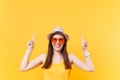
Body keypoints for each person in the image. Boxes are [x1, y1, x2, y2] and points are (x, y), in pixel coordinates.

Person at [20, 27, 95, 80]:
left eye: (61, 39)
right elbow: (23, 68)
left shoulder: (70, 57)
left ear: (64, 42)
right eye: (54, 39)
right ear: (51, 42)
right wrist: (29, 50)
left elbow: (90, 68)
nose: (58, 42)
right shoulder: (44, 57)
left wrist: (85, 51)